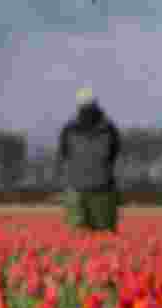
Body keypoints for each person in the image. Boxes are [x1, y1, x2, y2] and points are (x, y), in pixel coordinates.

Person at [56, 88, 122, 232]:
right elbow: (113, 154)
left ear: (78, 106)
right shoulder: (109, 128)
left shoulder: (69, 129)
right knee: (105, 238)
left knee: (78, 240)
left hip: (76, 190)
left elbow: (64, 155)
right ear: (97, 105)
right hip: (103, 188)